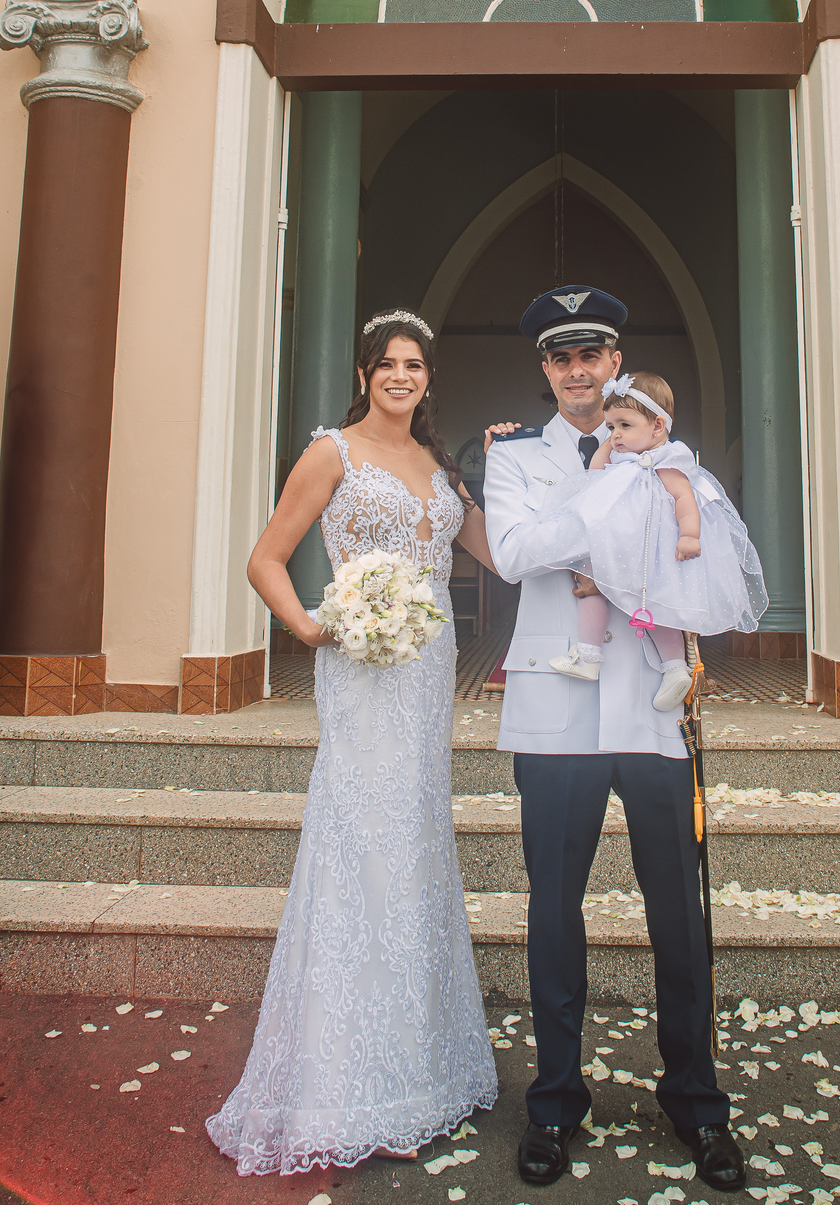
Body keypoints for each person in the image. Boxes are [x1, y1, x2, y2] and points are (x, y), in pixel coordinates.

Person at [207, 311, 497, 1176]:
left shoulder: (441, 468)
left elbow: (501, 553)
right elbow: (266, 558)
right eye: (387, 364)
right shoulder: (331, 453)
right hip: (363, 673)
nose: (401, 376)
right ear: (366, 373)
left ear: (429, 379)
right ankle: (351, 1085)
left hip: (427, 677)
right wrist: (308, 627)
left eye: (415, 365)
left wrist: (536, 478)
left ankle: (418, 1072)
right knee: (362, 851)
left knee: (414, 850)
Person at [483, 287, 746, 1194]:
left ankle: (697, 1103)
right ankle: (556, 1101)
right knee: (555, 908)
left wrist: (609, 515)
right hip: (556, 704)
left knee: (679, 911)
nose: (578, 370)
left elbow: (697, 549)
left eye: (591, 354)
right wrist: (608, 502)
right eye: (561, 357)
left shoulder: (665, 448)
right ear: (545, 369)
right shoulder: (514, 457)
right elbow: (514, 555)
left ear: (615, 361)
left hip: (649, 703)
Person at [543, 370, 769, 711]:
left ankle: (675, 669)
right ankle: (587, 654)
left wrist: (689, 535)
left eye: (624, 425)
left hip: (654, 554)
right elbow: (594, 473)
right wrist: (609, 442)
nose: (616, 434)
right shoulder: (620, 458)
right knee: (590, 585)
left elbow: (685, 500)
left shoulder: (666, 461)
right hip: (620, 548)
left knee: (659, 608)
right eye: (611, 427)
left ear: (658, 426)